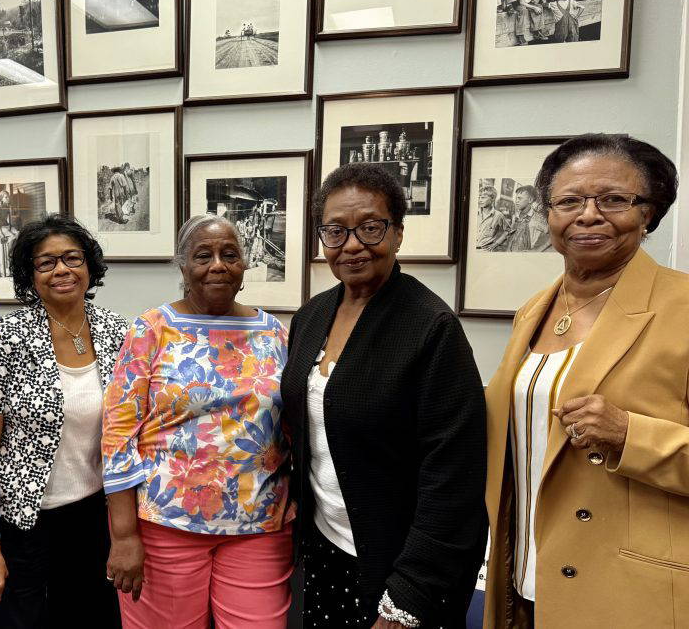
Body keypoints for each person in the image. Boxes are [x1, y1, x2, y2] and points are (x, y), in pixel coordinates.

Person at [483, 135, 688, 628]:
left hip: (630, 594)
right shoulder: (534, 309)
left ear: (649, 213)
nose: (589, 215)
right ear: (547, 213)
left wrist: (630, 436)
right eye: (569, 201)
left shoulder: (683, 307)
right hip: (527, 581)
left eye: (614, 199)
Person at [280, 163, 485, 628]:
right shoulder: (312, 317)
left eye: (370, 228)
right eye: (336, 231)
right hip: (326, 546)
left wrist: (406, 599)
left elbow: (453, 480)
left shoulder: (431, 328)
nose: (352, 244)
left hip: (401, 567)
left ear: (397, 234)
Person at [102, 215, 294, 629]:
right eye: (203, 255)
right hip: (164, 527)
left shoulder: (274, 333)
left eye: (230, 254)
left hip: (259, 527)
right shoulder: (151, 329)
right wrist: (123, 535)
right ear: (183, 267)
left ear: (245, 266)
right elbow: (118, 436)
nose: (218, 265)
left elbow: (293, 425)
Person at [0, 213, 128, 628]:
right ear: (30, 275)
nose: (61, 270)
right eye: (46, 262)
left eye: (72, 258)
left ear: (90, 265)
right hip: (24, 521)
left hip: (96, 517)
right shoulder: (7, 335)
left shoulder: (118, 331)